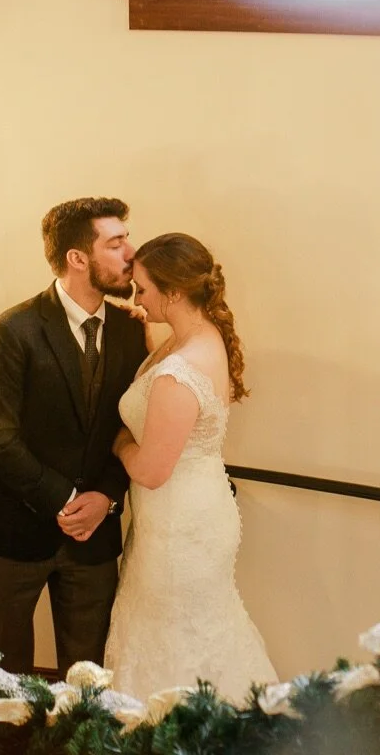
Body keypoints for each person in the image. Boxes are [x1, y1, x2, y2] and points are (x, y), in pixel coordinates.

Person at [0, 198, 150, 674]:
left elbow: (129, 425)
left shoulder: (130, 329)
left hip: (95, 540)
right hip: (9, 532)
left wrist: (105, 496)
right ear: (77, 258)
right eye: (116, 242)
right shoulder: (11, 331)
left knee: (88, 679)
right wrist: (66, 499)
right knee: (4, 679)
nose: (131, 253)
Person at [103, 232, 276, 699]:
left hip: (181, 529)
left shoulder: (181, 372)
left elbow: (153, 469)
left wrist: (120, 444)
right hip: (181, 515)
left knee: (174, 642)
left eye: (143, 289)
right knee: (187, 634)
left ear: (174, 291)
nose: (137, 297)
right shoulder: (195, 337)